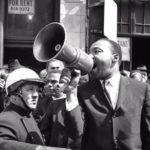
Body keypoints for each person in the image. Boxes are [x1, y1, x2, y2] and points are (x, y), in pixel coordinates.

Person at [61, 38, 150, 150]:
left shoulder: (141, 88)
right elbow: (76, 133)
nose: (90, 56)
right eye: (89, 52)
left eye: (97, 51)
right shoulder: (82, 91)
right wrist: (71, 93)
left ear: (115, 58)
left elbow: (148, 133)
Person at [0, 67, 70, 150]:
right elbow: (3, 144)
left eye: (37, 90)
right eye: (30, 89)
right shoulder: (5, 119)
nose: (36, 95)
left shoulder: (28, 115)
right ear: (13, 94)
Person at [39, 70, 83, 150]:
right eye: (47, 82)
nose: (49, 85)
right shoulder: (54, 105)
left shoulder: (86, 104)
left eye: (62, 81)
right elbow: (44, 132)